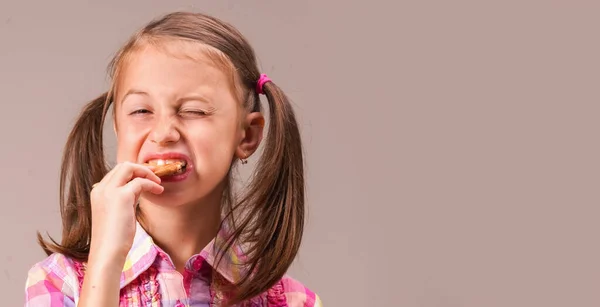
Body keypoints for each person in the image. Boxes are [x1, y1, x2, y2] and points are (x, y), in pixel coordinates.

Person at [24, 11, 322, 307]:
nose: (164, 133)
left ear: (246, 136)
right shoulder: (57, 282)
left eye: (194, 111)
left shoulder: (293, 302)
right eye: (141, 111)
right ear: (116, 126)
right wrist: (106, 259)